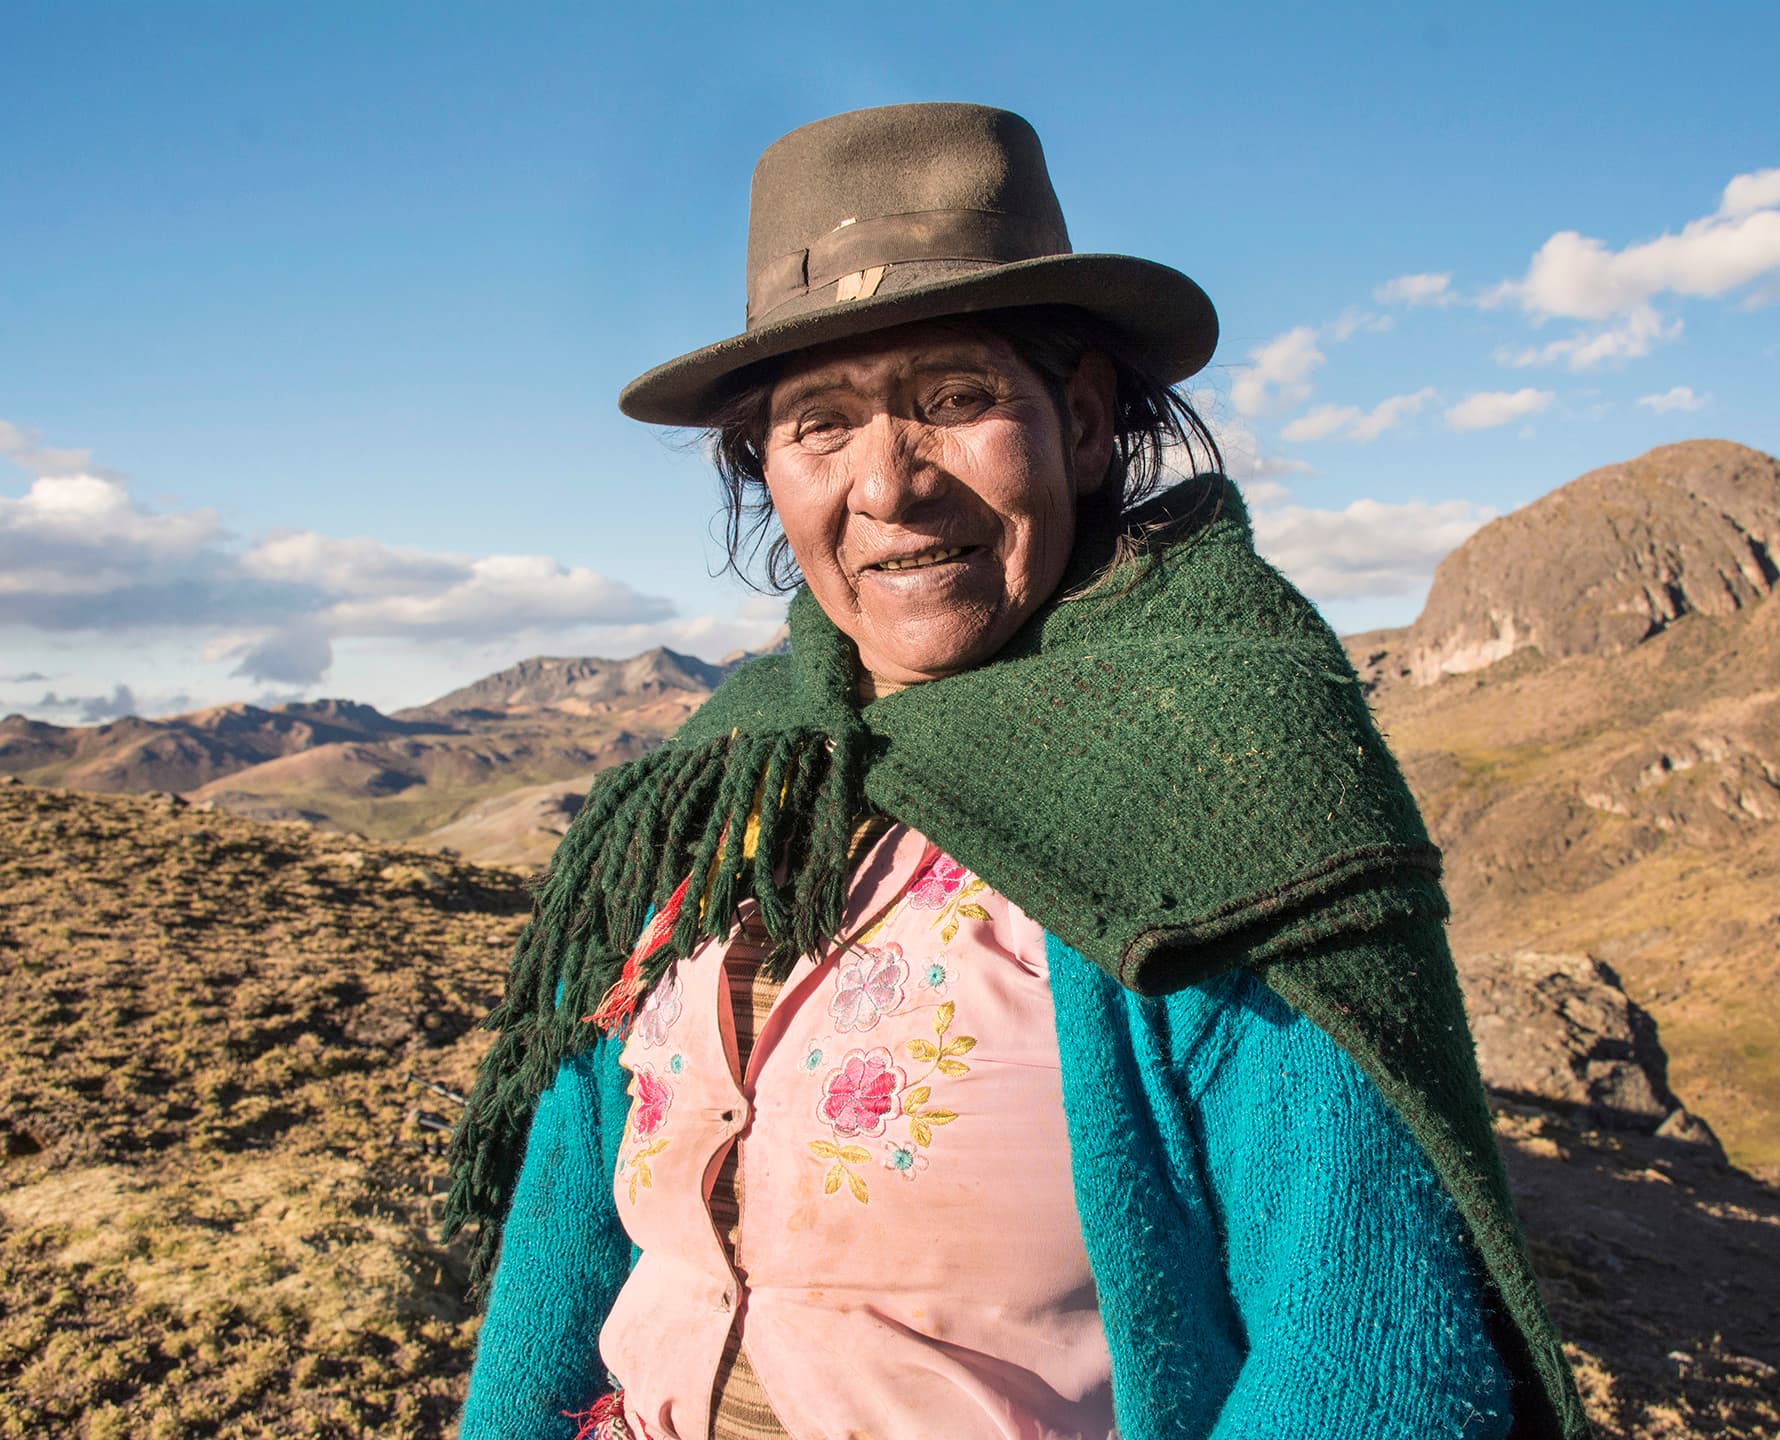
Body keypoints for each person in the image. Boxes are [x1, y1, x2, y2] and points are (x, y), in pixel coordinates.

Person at [445, 103, 1588, 1440]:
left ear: (1088, 421)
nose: (889, 484)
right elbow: (563, 1247)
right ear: (767, 473)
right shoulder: (724, 780)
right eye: (818, 425)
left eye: (956, 400)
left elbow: (1361, 1356)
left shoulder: (1226, 780)